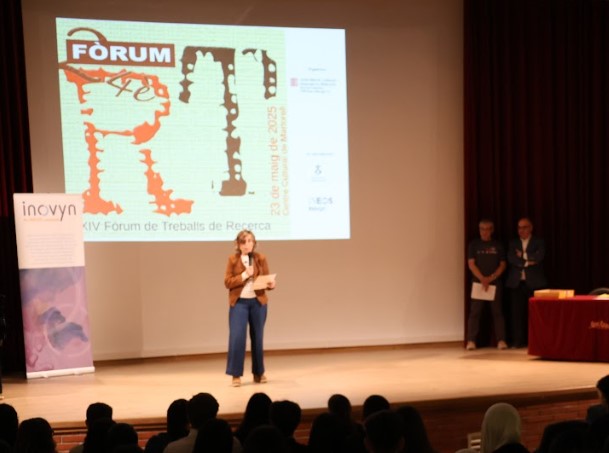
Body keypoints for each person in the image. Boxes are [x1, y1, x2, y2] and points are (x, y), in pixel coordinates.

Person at [224, 229, 275, 387]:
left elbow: (266, 279)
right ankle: (235, 374)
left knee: (257, 338)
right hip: (239, 303)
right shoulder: (233, 259)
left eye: (250, 241)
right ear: (238, 244)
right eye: (244, 242)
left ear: (254, 243)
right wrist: (245, 275)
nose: (247, 244)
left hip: (257, 303)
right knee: (237, 338)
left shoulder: (260, 258)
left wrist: (271, 284)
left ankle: (259, 373)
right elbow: (227, 282)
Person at [466, 219, 508, 350]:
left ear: (492, 230)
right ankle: (471, 341)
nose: (484, 232)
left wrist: (490, 278)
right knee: (475, 312)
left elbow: (503, 264)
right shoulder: (474, 245)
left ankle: (501, 340)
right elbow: (471, 264)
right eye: (482, 229)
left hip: (494, 283)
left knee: (497, 312)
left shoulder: (498, 245)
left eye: (487, 229)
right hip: (478, 283)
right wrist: (482, 279)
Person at [506, 218, 546, 348]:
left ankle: (536, 340)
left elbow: (539, 257)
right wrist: (528, 261)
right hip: (517, 283)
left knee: (535, 313)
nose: (521, 230)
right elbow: (512, 258)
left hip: (534, 283)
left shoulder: (538, 242)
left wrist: (522, 256)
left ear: (530, 228)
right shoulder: (513, 243)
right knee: (516, 314)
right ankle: (518, 341)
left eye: (524, 227)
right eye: (519, 228)